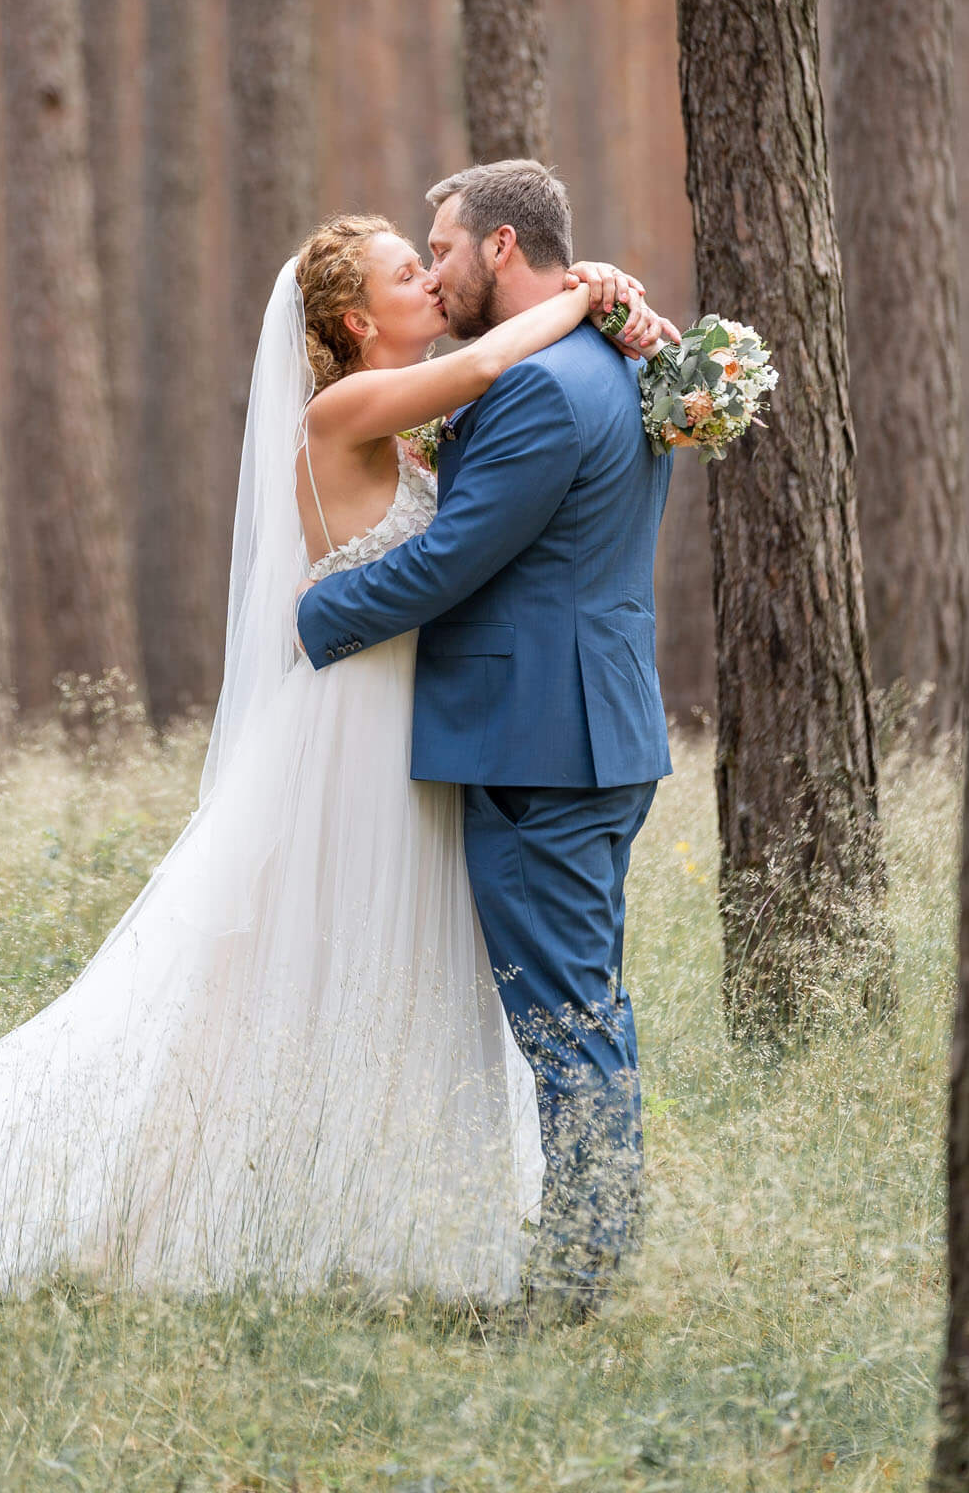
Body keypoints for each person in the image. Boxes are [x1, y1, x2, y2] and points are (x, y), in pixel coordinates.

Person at [0, 197, 668, 1305]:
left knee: (380, 965)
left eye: (434, 261)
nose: (430, 282)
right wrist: (581, 291)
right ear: (359, 324)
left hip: (421, 725)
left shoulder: (405, 419)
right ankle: (207, 1195)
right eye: (405, 274)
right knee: (292, 966)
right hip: (359, 718)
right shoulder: (356, 405)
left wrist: (594, 289)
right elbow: (482, 374)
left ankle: (364, 1202)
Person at [297, 161, 678, 1319]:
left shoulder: (543, 388)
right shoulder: (611, 359)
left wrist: (319, 615)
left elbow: (456, 556)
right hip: (597, 725)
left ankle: (575, 1285)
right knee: (590, 1008)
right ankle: (594, 1254)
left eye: (445, 248)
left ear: (504, 247)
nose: (439, 268)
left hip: (537, 746)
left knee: (567, 1022)